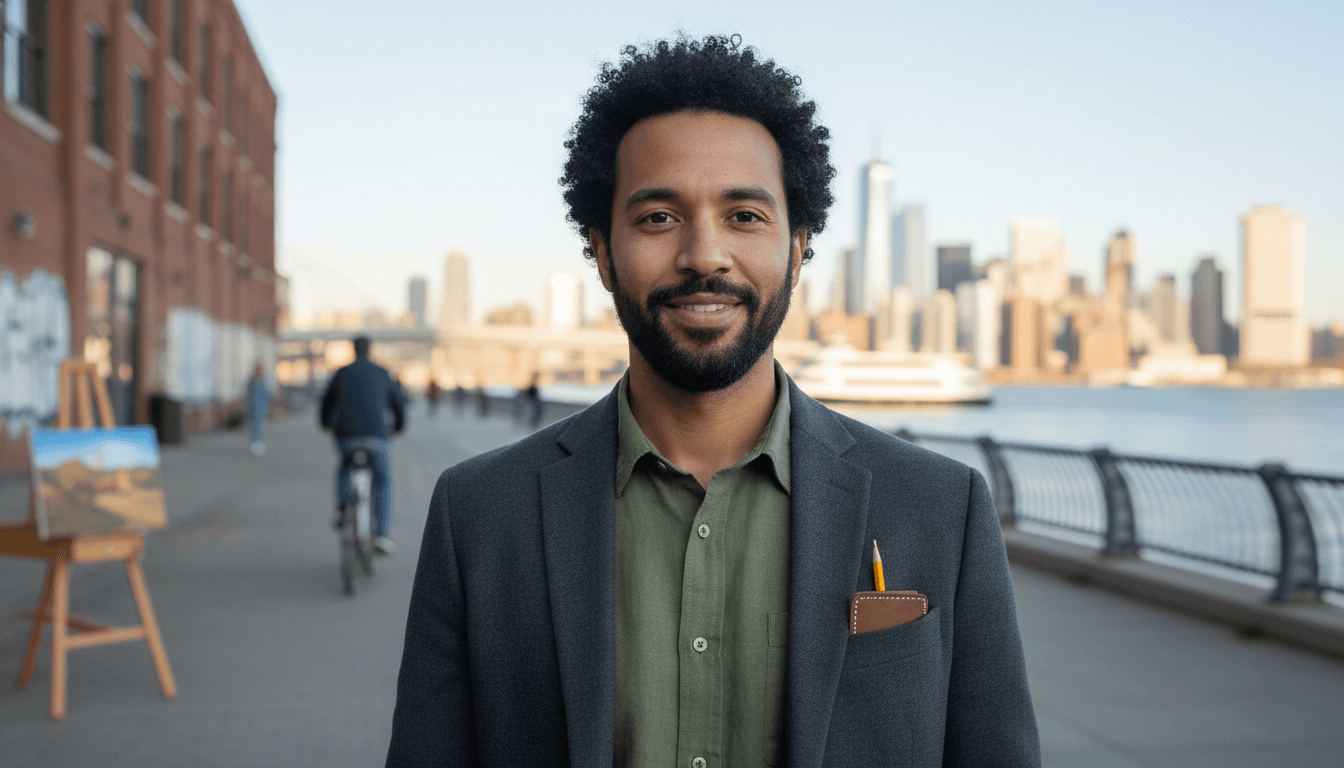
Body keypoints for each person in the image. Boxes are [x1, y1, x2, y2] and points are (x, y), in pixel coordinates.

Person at [387, 35, 1039, 767]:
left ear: (798, 248)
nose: (704, 254)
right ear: (601, 252)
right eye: (658, 217)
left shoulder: (941, 509)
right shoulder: (478, 514)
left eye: (745, 216)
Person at [321, 336, 406, 556]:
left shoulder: (342, 373)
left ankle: (341, 509)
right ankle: (382, 534)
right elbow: (398, 402)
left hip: (346, 436)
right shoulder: (382, 372)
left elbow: (326, 402)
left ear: (353, 350)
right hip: (377, 436)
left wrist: (325, 424)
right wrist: (398, 427)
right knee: (383, 480)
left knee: (344, 467)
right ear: (370, 350)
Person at [244, 363, 272, 457]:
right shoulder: (251, 381)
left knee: (260, 425)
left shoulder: (264, 381)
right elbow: (247, 393)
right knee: (252, 425)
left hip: (261, 407)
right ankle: (254, 442)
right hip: (252, 407)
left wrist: (267, 405)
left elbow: (268, 394)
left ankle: (259, 443)